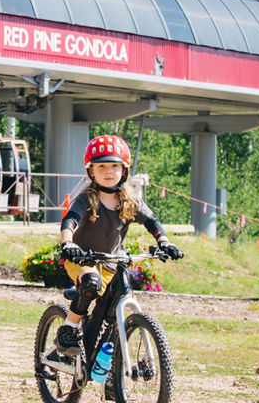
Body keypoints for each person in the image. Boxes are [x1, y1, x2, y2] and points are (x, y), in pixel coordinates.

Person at [55, 134, 183, 358]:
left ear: (124, 170)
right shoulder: (86, 199)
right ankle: (69, 330)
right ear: (91, 171)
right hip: (82, 260)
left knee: (114, 308)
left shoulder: (129, 201)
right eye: (101, 166)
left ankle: (111, 370)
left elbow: (152, 222)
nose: (108, 171)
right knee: (90, 282)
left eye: (114, 166)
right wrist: (67, 242)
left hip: (112, 263)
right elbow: (69, 221)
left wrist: (164, 242)